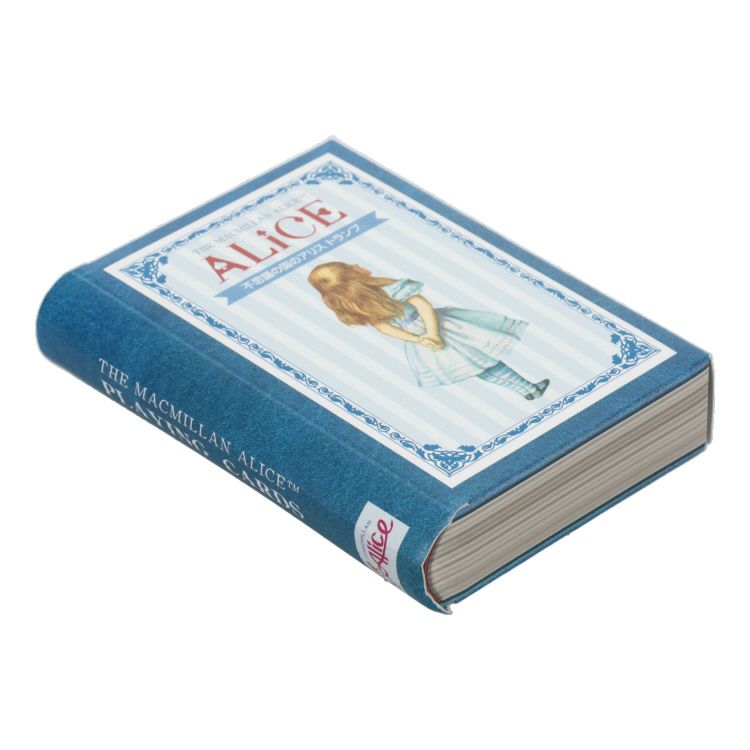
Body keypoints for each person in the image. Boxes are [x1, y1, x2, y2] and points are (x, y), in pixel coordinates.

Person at [308, 261, 550, 400]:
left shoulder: (366, 302)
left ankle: (527, 389)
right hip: (442, 328)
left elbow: (386, 328)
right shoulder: (387, 289)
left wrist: (420, 339)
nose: (357, 265)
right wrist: (430, 334)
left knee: (477, 366)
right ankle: (528, 389)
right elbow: (423, 307)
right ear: (353, 276)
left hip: (427, 336)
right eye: (351, 267)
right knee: (483, 362)